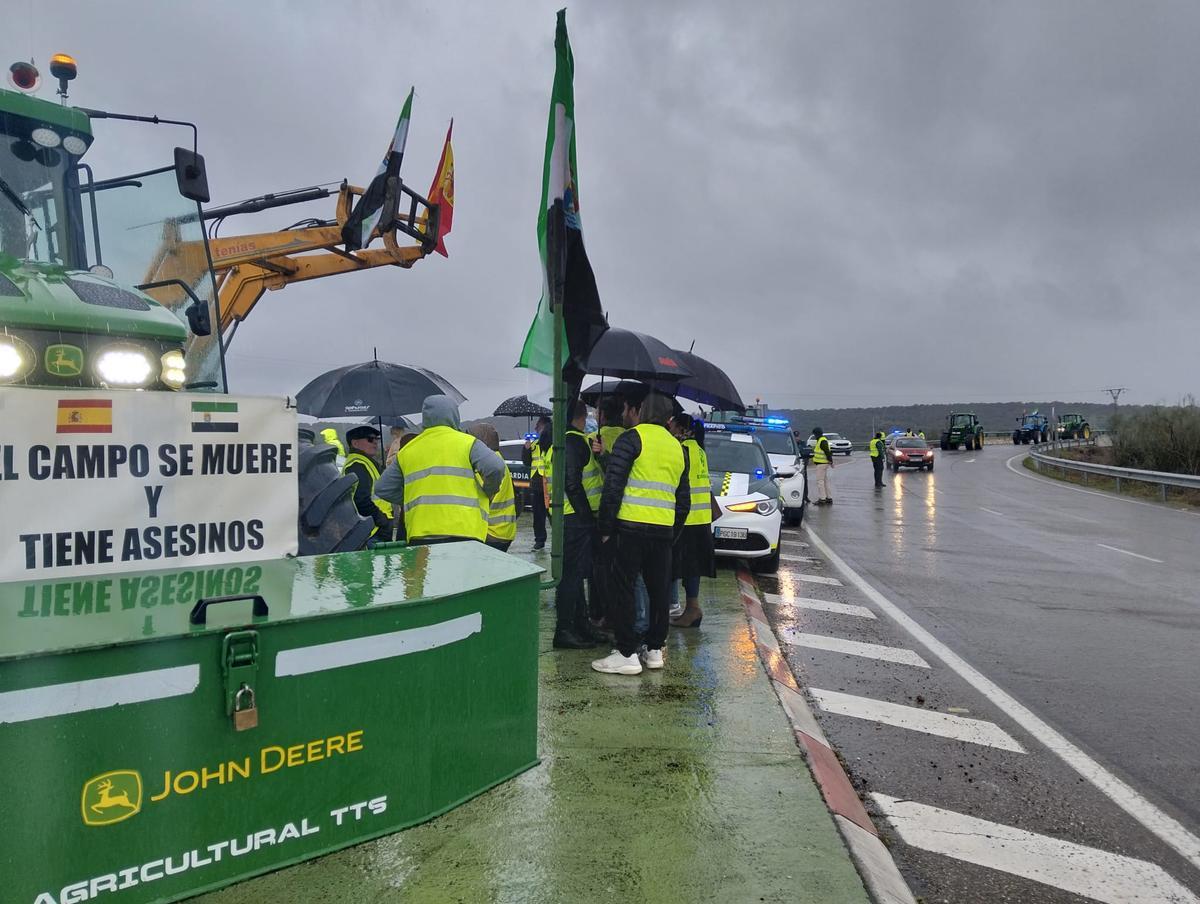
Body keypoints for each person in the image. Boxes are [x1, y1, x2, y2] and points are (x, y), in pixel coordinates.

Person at [591, 391, 689, 676]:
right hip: (663, 531)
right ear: (668, 419)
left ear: (639, 410)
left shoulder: (630, 439)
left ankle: (626, 652)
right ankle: (655, 650)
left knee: (623, 589)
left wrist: (605, 529)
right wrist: (673, 533)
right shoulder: (678, 448)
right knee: (659, 592)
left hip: (629, 529)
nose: (624, 412)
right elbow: (683, 501)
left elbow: (613, 487)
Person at [375, 395, 506, 544]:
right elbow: (496, 467)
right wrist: (488, 492)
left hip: (421, 535)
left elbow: (382, 488)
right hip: (465, 531)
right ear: (454, 415)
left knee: (428, 569)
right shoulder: (467, 443)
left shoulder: (408, 450)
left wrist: (414, 500)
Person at [549, 397, 604, 648]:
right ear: (583, 417)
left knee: (576, 574)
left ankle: (581, 625)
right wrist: (586, 519)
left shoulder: (570, 442)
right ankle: (565, 629)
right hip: (575, 519)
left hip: (571, 517)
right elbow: (572, 483)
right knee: (571, 576)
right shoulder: (573, 442)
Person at [668, 413, 715, 628]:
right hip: (701, 517)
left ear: (682, 429)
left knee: (676, 566)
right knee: (691, 567)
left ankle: (687, 609)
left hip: (686, 518)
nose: (670, 430)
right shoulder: (699, 450)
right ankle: (692, 609)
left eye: (672, 426)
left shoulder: (683, 450)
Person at [468, 423, 518, 552]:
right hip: (505, 531)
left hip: (491, 533)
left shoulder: (486, 466)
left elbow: (476, 499)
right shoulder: (499, 461)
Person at [342, 425, 394, 538]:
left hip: (375, 529)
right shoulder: (357, 464)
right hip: (373, 531)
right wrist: (382, 520)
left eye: (377, 439)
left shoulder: (365, 462)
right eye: (370, 439)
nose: (375, 442)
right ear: (355, 443)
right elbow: (360, 500)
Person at [522, 415, 551, 550]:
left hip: (548, 482)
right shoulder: (532, 442)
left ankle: (558, 538)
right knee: (538, 515)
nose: (536, 428)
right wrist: (526, 448)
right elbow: (527, 462)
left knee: (552, 512)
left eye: (538, 425)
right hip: (536, 482)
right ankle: (539, 540)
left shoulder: (551, 440)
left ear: (545, 426)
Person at [810, 426, 835, 506]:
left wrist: (831, 461)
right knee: (825, 481)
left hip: (821, 464)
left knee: (820, 481)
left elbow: (827, 452)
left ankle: (822, 499)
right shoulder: (822, 440)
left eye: (814, 434)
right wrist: (830, 461)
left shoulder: (822, 441)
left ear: (816, 434)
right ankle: (829, 498)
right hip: (823, 464)